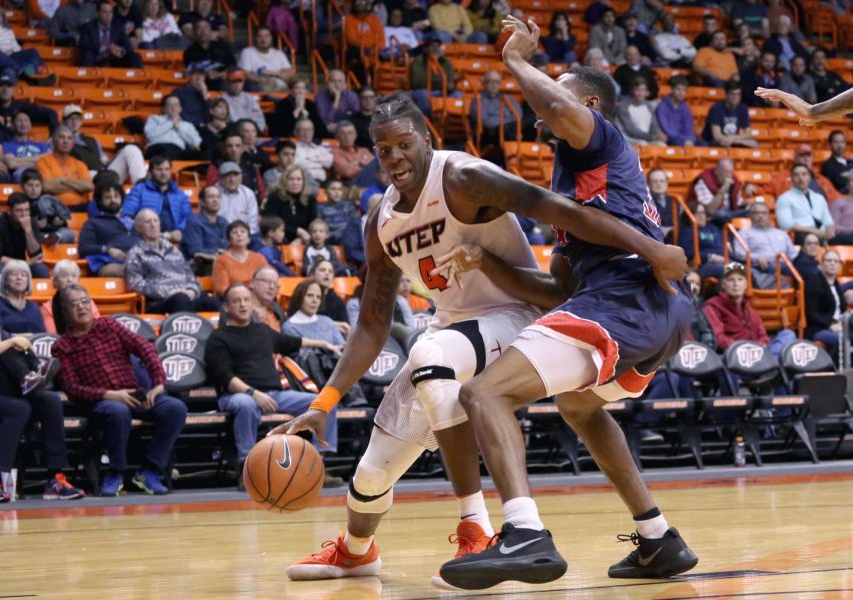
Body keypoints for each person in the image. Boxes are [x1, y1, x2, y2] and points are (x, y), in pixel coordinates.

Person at [271, 75, 689, 589]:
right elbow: (372, 324)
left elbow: (560, 211)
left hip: (514, 320)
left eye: (405, 144)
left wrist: (653, 251)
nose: (396, 157)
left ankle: (481, 529)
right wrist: (324, 401)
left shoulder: (464, 176)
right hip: (457, 334)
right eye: (385, 150)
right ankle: (357, 552)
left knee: (435, 359)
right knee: (373, 472)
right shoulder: (378, 221)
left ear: (427, 138)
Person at [428, 18, 695, 589]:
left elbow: (561, 108)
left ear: (591, 104)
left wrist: (519, 63)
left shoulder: (599, 138)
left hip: (630, 297)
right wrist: (488, 265)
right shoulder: (579, 175)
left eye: (560, 91)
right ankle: (658, 539)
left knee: (483, 393)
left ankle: (524, 533)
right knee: (579, 406)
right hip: (647, 307)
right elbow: (559, 292)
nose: (543, 101)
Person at [0, 274, 85, 503]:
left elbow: (9, 346)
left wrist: (23, 345)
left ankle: (56, 477)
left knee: (50, 400)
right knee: (18, 408)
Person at [52, 284, 188, 496]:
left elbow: (144, 347)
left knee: (175, 408)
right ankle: (116, 472)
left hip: (133, 393)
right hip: (100, 402)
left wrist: (158, 382)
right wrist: (110, 395)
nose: (81, 307)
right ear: (65, 312)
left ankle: (149, 470)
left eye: (85, 301)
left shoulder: (109, 325)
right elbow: (71, 388)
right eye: (74, 304)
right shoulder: (62, 345)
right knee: (117, 410)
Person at [204, 283, 342, 478]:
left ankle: (317, 465)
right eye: (236, 301)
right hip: (237, 395)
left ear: (252, 304)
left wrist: (324, 343)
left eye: (246, 300)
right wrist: (253, 393)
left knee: (324, 402)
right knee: (245, 405)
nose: (242, 305)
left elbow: (293, 342)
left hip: (276, 395)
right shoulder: (218, 338)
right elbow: (225, 377)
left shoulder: (262, 330)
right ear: (226, 307)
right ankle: (247, 469)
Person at [126, 209, 221, 314]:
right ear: (139, 227)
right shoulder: (135, 253)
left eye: (155, 221)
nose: (153, 225)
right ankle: (186, 330)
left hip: (185, 296)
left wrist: (192, 291)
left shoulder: (174, 250)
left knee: (215, 302)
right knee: (180, 300)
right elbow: (135, 285)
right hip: (159, 302)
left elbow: (191, 277)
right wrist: (167, 292)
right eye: (148, 222)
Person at [703, 261, 795, 354]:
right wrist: (743, 349)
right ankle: (772, 363)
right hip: (734, 355)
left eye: (740, 279)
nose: (736, 284)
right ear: (723, 284)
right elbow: (718, 338)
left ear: (746, 284)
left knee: (788, 334)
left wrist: (759, 346)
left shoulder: (749, 309)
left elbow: (763, 336)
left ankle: (770, 362)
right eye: (731, 280)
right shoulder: (713, 306)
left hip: (756, 353)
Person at [61, 103, 146, 186]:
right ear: (64, 121)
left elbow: (105, 162)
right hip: (84, 177)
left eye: (77, 118)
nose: (74, 121)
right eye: (71, 118)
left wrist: (120, 152)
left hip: (104, 175)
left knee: (131, 149)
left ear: (81, 121)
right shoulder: (59, 140)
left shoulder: (92, 140)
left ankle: (141, 189)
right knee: (92, 173)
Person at [122, 156, 192, 244]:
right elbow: (125, 215)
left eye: (167, 169)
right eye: (159, 169)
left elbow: (188, 218)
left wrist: (180, 230)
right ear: (150, 172)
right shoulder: (139, 190)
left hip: (174, 240)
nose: (163, 173)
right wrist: (140, 230)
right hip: (145, 240)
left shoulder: (180, 195)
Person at [0, 192, 48, 279]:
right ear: (9, 211)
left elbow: (36, 254)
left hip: (22, 263)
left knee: (41, 269)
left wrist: (28, 231)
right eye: (19, 210)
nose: (24, 215)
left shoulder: (31, 222)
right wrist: (26, 263)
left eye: (27, 210)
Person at [78, 183, 138, 277]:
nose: (113, 200)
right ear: (100, 201)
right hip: (110, 264)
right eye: (107, 197)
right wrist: (107, 249)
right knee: (136, 270)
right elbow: (84, 248)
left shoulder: (133, 221)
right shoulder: (93, 222)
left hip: (137, 260)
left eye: (116, 196)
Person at [736, 201, 798, 288]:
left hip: (785, 264)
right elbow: (739, 253)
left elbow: (792, 253)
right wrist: (756, 258)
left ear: (769, 215)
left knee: (805, 266)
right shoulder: (744, 233)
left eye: (764, 213)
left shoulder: (781, 233)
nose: (760, 216)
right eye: (756, 213)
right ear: (750, 216)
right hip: (764, 265)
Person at [0, 71, 58, 141]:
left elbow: (51, 114)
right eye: (1, 85)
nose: (5, 89)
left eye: (9, 85)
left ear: (13, 89)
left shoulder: (22, 105)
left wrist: (54, 136)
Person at [776, 163, 835, 244]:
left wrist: (830, 231)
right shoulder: (784, 198)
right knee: (808, 238)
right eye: (796, 175)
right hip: (801, 234)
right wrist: (813, 231)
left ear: (809, 177)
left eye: (804, 174)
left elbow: (828, 221)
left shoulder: (819, 197)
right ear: (792, 179)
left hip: (822, 233)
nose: (800, 177)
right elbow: (785, 224)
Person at [35, 127, 94, 208]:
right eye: (61, 137)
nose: (65, 141)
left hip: (81, 206)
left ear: (73, 144)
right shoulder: (43, 161)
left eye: (69, 138)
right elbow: (46, 186)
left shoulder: (80, 164)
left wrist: (64, 180)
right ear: (54, 141)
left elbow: (89, 186)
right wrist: (79, 189)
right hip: (54, 207)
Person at [803, 250, 846, 360]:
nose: (833, 263)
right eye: (829, 260)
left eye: (836, 261)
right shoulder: (814, 283)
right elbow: (811, 313)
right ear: (821, 264)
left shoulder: (835, 283)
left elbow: (842, 310)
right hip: (819, 329)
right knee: (842, 339)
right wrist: (830, 325)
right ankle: (833, 369)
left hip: (839, 326)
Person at [0, 260, 45, 335]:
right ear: (5, 280)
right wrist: (16, 338)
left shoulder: (34, 307)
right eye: (14, 274)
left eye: (23, 275)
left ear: (28, 281)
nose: (19, 278)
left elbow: (42, 335)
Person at [41, 259, 101, 334]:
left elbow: (98, 328)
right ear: (55, 281)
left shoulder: (87, 302)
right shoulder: (48, 308)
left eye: (74, 276)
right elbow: (52, 337)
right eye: (64, 276)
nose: (70, 280)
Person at [264, 164, 318, 245]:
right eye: (291, 179)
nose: (295, 183)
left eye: (299, 179)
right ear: (284, 181)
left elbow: (313, 224)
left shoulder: (310, 199)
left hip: (304, 240)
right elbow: (272, 224)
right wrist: (298, 231)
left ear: (303, 181)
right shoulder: (274, 197)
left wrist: (300, 239)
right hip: (279, 240)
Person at [78, 1, 143, 68]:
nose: (108, 15)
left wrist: (120, 50)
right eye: (105, 12)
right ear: (98, 13)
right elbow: (84, 45)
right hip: (97, 59)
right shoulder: (88, 27)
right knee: (87, 56)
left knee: (135, 57)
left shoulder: (118, 27)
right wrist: (106, 48)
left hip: (114, 60)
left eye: (110, 12)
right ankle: (89, 77)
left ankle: (137, 77)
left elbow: (128, 47)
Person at [469, 70, 522, 151]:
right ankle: (516, 151)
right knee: (505, 129)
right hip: (487, 134)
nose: (494, 84)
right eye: (491, 81)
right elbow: (486, 122)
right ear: (484, 83)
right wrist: (505, 121)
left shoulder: (508, 98)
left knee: (531, 121)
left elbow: (518, 116)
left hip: (508, 130)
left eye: (497, 81)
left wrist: (503, 123)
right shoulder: (477, 100)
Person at [768, 144, 841, 201]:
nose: (806, 159)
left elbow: (837, 197)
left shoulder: (822, 180)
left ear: (812, 158)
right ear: (795, 158)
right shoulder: (781, 177)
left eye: (808, 156)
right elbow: (766, 190)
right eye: (802, 156)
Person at [212, 220, 267, 297]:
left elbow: (266, 282)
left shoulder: (259, 258)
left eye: (243, 232)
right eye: (234, 232)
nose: (239, 234)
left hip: (257, 298)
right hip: (233, 300)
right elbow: (222, 289)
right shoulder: (221, 261)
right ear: (229, 240)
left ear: (249, 238)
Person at [182, 184, 228, 274]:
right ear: (202, 202)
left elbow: (228, 246)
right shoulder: (194, 222)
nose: (215, 200)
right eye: (211, 197)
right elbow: (195, 251)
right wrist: (216, 253)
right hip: (201, 265)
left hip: (222, 261)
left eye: (218, 197)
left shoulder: (224, 222)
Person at [409, 34, 459, 116]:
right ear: (425, 49)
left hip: (442, 91)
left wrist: (452, 84)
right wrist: (439, 82)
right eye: (432, 46)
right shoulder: (418, 61)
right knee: (421, 94)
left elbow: (450, 77)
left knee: (458, 94)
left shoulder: (445, 61)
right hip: (425, 90)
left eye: (437, 46)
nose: (435, 49)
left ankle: (451, 122)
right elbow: (416, 82)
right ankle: (428, 120)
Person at [143, 95, 203, 160]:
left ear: (180, 108)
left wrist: (178, 128)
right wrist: (170, 123)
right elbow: (150, 135)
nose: (173, 108)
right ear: (164, 109)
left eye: (176, 105)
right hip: (157, 148)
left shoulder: (188, 125)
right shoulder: (154, 119)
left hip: (178, 151)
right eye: (169, 105)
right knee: (167, 152)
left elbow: (196, 143)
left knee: (205, 155)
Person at [182, 18, 235, 90]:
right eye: (199, 28)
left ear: (211, 31)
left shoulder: (223, 46)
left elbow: (233, 65)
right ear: (195, 33)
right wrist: (205, 75)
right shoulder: (189, 52)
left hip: (223, 80)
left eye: (205, 27)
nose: (203, 30)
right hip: (200, 82)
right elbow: (189, 73)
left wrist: (223, 74)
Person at [237, 25, 293, 93]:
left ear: (271, 38)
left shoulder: (279, 54)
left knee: (300, 88)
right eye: (259, 36)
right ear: (255, 38)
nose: (263, 40)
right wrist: (265, 80)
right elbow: (246, 74)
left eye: (266, 36)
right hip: (259, 86)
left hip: (281, 87)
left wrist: (274, 74)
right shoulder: (247, 52)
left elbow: (290, 73)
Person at [702, 82, 757, 148]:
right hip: (714, 142)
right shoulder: (717, 108)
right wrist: (740, 141)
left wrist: (732, 139)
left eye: (738, 94)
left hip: (732, 140)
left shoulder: (743, 108)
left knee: (754, 143)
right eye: (732, 94)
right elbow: (717, 136)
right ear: (726, 94)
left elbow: (748, 134)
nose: (735, 97)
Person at [678, 201, 724, 279]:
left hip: (725, 260)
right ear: (689, 216)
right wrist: (710, 257)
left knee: (746, 269)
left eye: (703, 213)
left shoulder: (713, 228)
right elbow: (688, 252)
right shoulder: (687, 232)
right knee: (730, 269)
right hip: (703, 265)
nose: (701, 216)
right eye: (697, 213)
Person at [216, 161, 260, 242]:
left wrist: (244, 237)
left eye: (235, 175)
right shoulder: (213, 193)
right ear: (220, 178)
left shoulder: (249, 194)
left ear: (241, 177)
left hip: (245, 236)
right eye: (228, 176)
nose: (232, 179)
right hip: (220, 236)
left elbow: (253, 223)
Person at [1, 111, 50, 180]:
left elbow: (47, 161)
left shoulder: (41, 145)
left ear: (30, 124)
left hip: (42, 173)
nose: (23, 123)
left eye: (26, 120)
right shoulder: (8, 145)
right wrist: (37, 160)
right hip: (22, 174)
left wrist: (18, 160)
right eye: (19, 120)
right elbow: (11, 164)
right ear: (13, 125)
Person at [615, 79, 666, 146]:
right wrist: (652, 137)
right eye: (637, 90)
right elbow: (630, 130)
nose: (640, 93)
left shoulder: (648, 106)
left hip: (646, 138)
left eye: (643, 90)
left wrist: (659, 134)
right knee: (642, 144)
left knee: (661, 145)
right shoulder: (623, 106)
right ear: (632, 91)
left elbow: (654, 125)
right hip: (629, 138)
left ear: (646, 92)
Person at [655, 76, 699, 147]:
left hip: (684, 139)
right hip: (669, 139)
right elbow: (666, 129)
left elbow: (688, 129)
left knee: (702, 144)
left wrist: (690, 139)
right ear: (672, 89)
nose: (681, 93)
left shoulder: (686, 108)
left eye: (684, 90)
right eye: (678, 89)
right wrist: (684, 140)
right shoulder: (662, 106)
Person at [315, 70, 360, 136]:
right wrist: (337, 98)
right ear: (328, 83)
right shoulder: (320, 96)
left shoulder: (351, 96)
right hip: (326, 133)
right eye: (333, 81)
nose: (337, 84)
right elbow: (324, 122)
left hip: (346, 131)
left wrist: (339, 125)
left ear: (345, 84)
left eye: (340, 81)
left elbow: (357, 118)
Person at [292, 118, 334, 184]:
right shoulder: (293, 149)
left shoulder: (320, 148)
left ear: (313, 131)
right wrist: (319, 163)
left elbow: (329, 162)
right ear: (296, 132)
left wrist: (308, 159)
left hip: (322, 182)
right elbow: (297, 163)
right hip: (303, 183)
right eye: (303, 130)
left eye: (309, 129)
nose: (306, 133)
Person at [171, 62, 210, 129]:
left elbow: (211, 117)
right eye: (195, 74)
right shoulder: (178, 91)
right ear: (188, 76)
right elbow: (176, 113)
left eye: (201, 74)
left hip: (204, 129)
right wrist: (198, 123)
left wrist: (205, 96)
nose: (199, 77)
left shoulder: (206, 94)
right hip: (185, 128)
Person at [821, 130, 853, 195]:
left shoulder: (850, 162)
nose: (840, 145)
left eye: (842, 142)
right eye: (836, 142)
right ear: (830, 144)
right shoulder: (827, 166)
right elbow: (839, 184)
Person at [648, 169, 675, 240]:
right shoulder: (645, 203)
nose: (659, 184)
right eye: (655, 181)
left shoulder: (676, 201)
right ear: (649, 184)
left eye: (662, 181)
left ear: (667, 183)